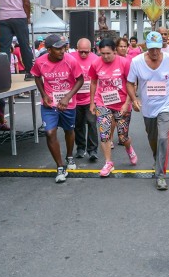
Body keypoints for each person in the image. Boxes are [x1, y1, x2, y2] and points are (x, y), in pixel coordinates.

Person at [126, 31, 169, 191]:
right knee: (153, 138)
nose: (155, 52)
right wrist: (134, 99)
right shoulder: (136, 62)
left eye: (158, 48)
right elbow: (130, 83)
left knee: (163, 137)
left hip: (166, 104)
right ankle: (157, 158)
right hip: (148, 107)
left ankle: (160, 175)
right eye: (151, 49)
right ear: (146, 48)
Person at [31, 34, 84, 183]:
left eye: (63, 47)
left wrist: (67, 97)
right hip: (49, 103)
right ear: (48, 50)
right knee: (49, 132)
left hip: (68, 103)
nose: (62, 50)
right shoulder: (40, 62)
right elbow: (36, 76)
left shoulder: (71, 60)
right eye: (58, 48)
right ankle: (60, 166)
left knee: (69, 130)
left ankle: (69, 157)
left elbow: (80, 79)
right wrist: (44, 95)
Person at [89, 38, 138, 176]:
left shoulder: (125, 63)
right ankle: (108, 162)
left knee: (123, 137)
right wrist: (92, 102)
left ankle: (129, 149)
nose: (105, 56)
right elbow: (93, 82)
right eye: (102, 53)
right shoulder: (95, 63)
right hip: (103, 102)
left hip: (121, 103)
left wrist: (127, 103)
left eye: (108, 53)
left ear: (115, 51)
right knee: (104, 134)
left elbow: (131, 84)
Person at [70, 38, 100, 160]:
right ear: (77, 49)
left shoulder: (96, 59)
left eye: (86, 52)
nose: (83, 54)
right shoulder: (70, 58)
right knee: (78, 124)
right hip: (75, 99)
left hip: (90, 99)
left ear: (91, 49)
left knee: (92, 123)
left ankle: (92, 150)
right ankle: (81, 148)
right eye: (81, 51)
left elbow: (99, 78)